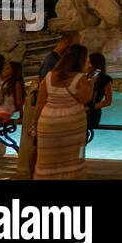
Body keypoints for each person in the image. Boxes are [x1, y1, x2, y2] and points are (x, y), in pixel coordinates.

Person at [33, 44, 93, 180]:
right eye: (87, 59)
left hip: (47, 123)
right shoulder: (80, 78)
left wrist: (36, 122)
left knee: (47, 160)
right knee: (74, 158)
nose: (88, 61)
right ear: (80, 60)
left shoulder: (48, 77)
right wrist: (91, 82)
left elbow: (40, 102)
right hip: (72, 124)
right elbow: (85, 99)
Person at [85, 53, 113, 135]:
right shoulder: (85, 77)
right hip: (81, 112)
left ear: (95, 65)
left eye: (89, 63)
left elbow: (108, 101)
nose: (86, 65)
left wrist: (91, 107)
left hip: (92, 114)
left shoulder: (105, 79)